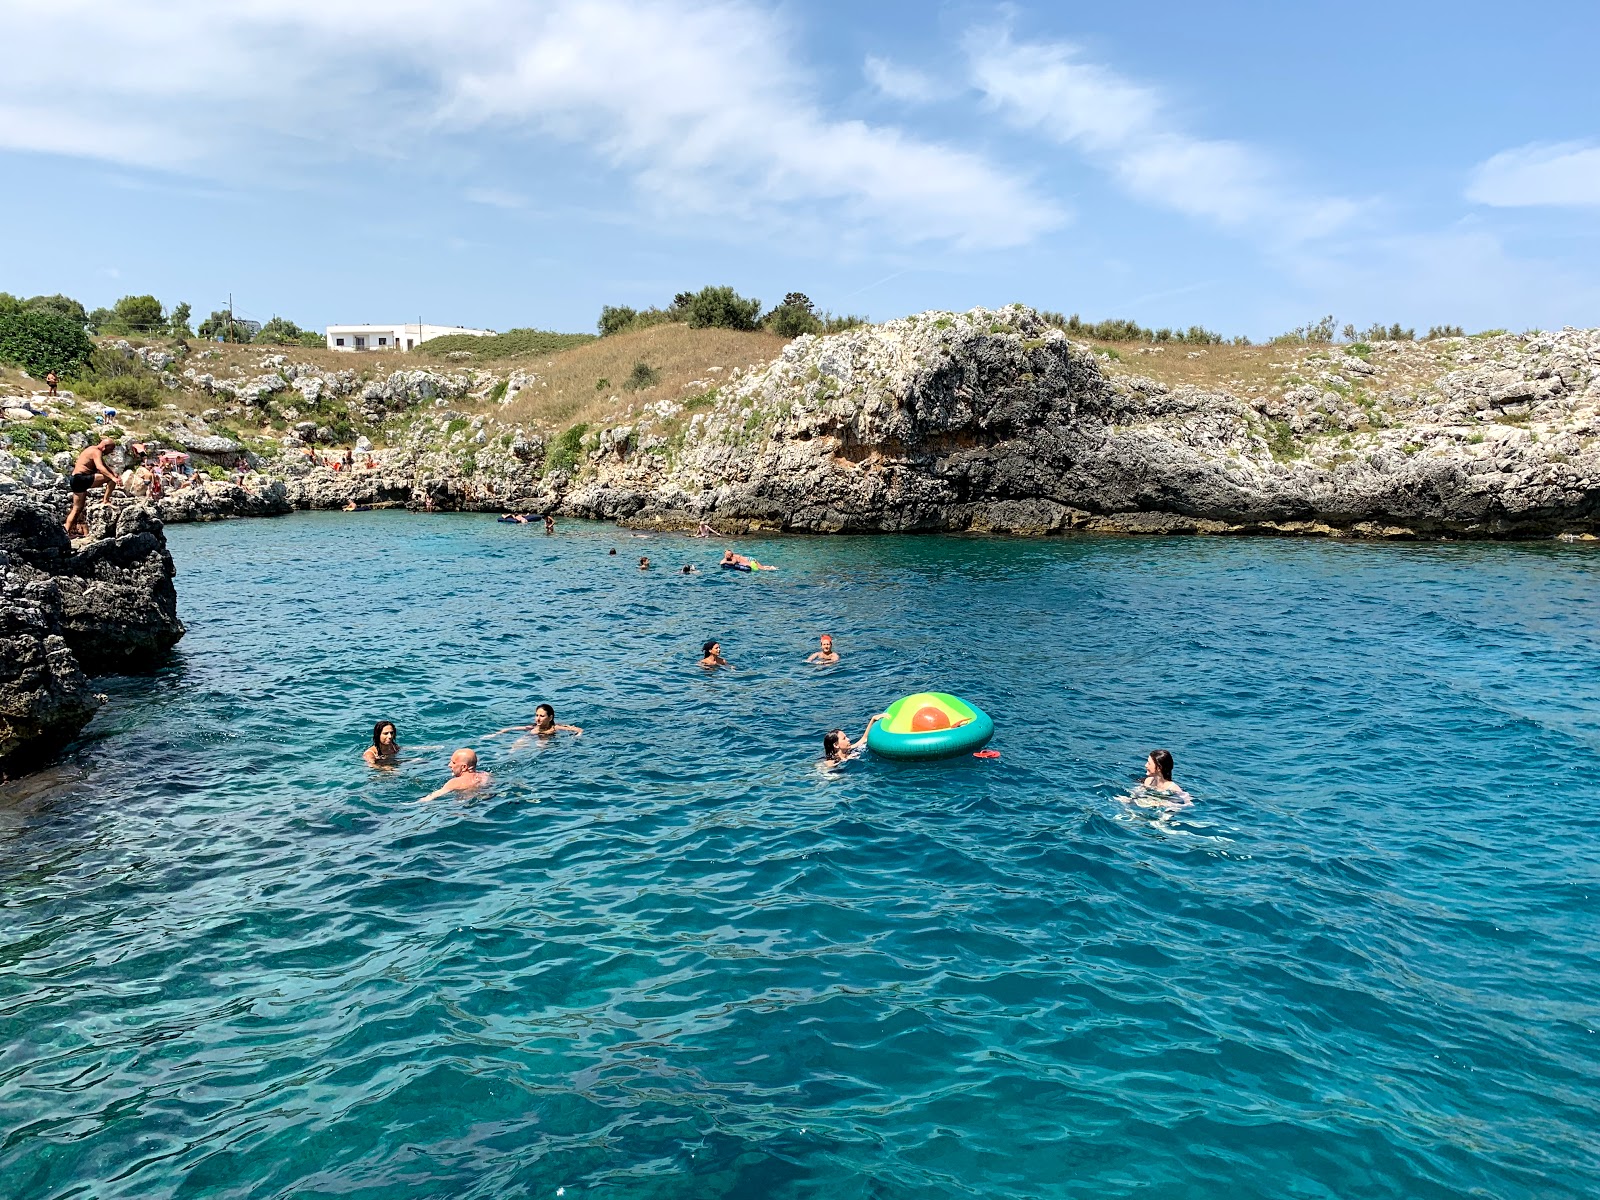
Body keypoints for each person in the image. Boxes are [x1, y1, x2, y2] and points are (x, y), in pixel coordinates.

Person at [64, 437, 120, 537]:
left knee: (77, 509)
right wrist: (113, 477)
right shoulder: (96, 451)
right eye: (110, 449)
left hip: (74, 479)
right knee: (111, 479)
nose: (111, 452)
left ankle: (65, 533)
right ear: (104, 447)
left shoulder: (92, 449)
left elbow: (104, 466)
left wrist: (113, 473)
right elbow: (100, 467)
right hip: (82, 478)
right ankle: (105, 500)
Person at [418, 748, 491, 802]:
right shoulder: (485, 775)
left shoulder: (454, 782)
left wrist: (414, 803)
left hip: (463, 805)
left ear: (464, 767)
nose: (449, 765)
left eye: (453, 762)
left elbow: (434, 796)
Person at [821, 714, 886, 768]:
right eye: (844, 738)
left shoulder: (849, 750)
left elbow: (864, 739)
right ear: (836, 745)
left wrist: (873, 719)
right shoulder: (831, 762)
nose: (848, 739)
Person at [493, 703, 583, 738]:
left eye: (542, 716)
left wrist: (577, 736)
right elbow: (511, 729)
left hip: (547, 741)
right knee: (520, 741)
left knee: (541, 744)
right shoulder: (533, 727)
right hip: (531, 738)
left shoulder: (555, 727)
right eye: (536, 715)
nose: (538, 719)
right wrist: (495, 734)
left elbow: (579, 730)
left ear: (550, 718)